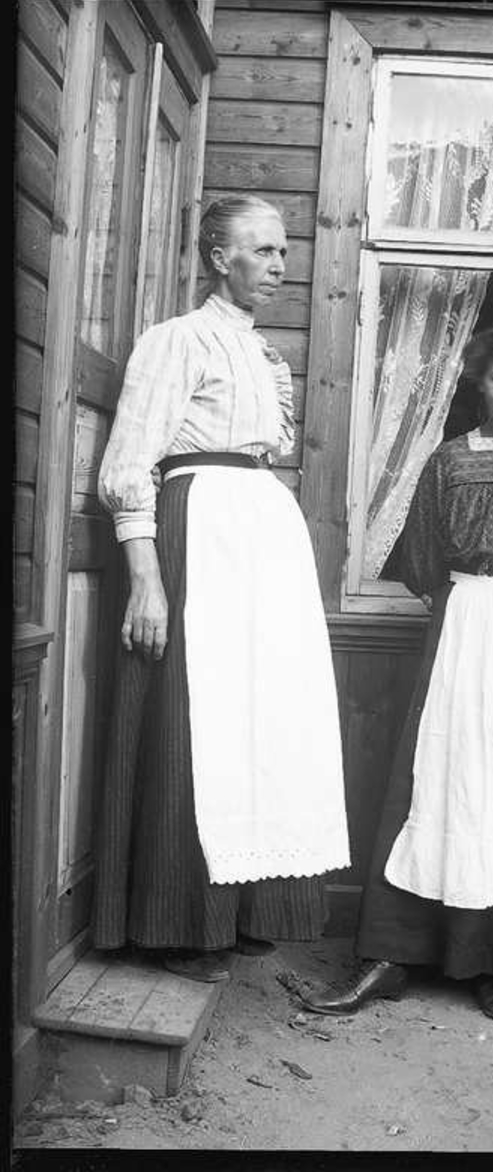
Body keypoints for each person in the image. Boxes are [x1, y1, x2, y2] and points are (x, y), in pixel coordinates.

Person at [303, 328, 493, 1020]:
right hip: (463, 620)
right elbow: (420, 559)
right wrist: (468, 598)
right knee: (446, 775)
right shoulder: (449, 459)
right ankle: (395, 955)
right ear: (480, 382)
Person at [92, 195, 351, 982]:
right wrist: (146, 581)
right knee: (194, 714)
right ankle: (175, 926)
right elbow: (127, 465)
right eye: (262, 250)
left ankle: (240, 912)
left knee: (260, 721)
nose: (278, 265)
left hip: (260, 536)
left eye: (283, 252)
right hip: (198, 528)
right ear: (217, 257)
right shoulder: (177, 340)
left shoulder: (262, 353)